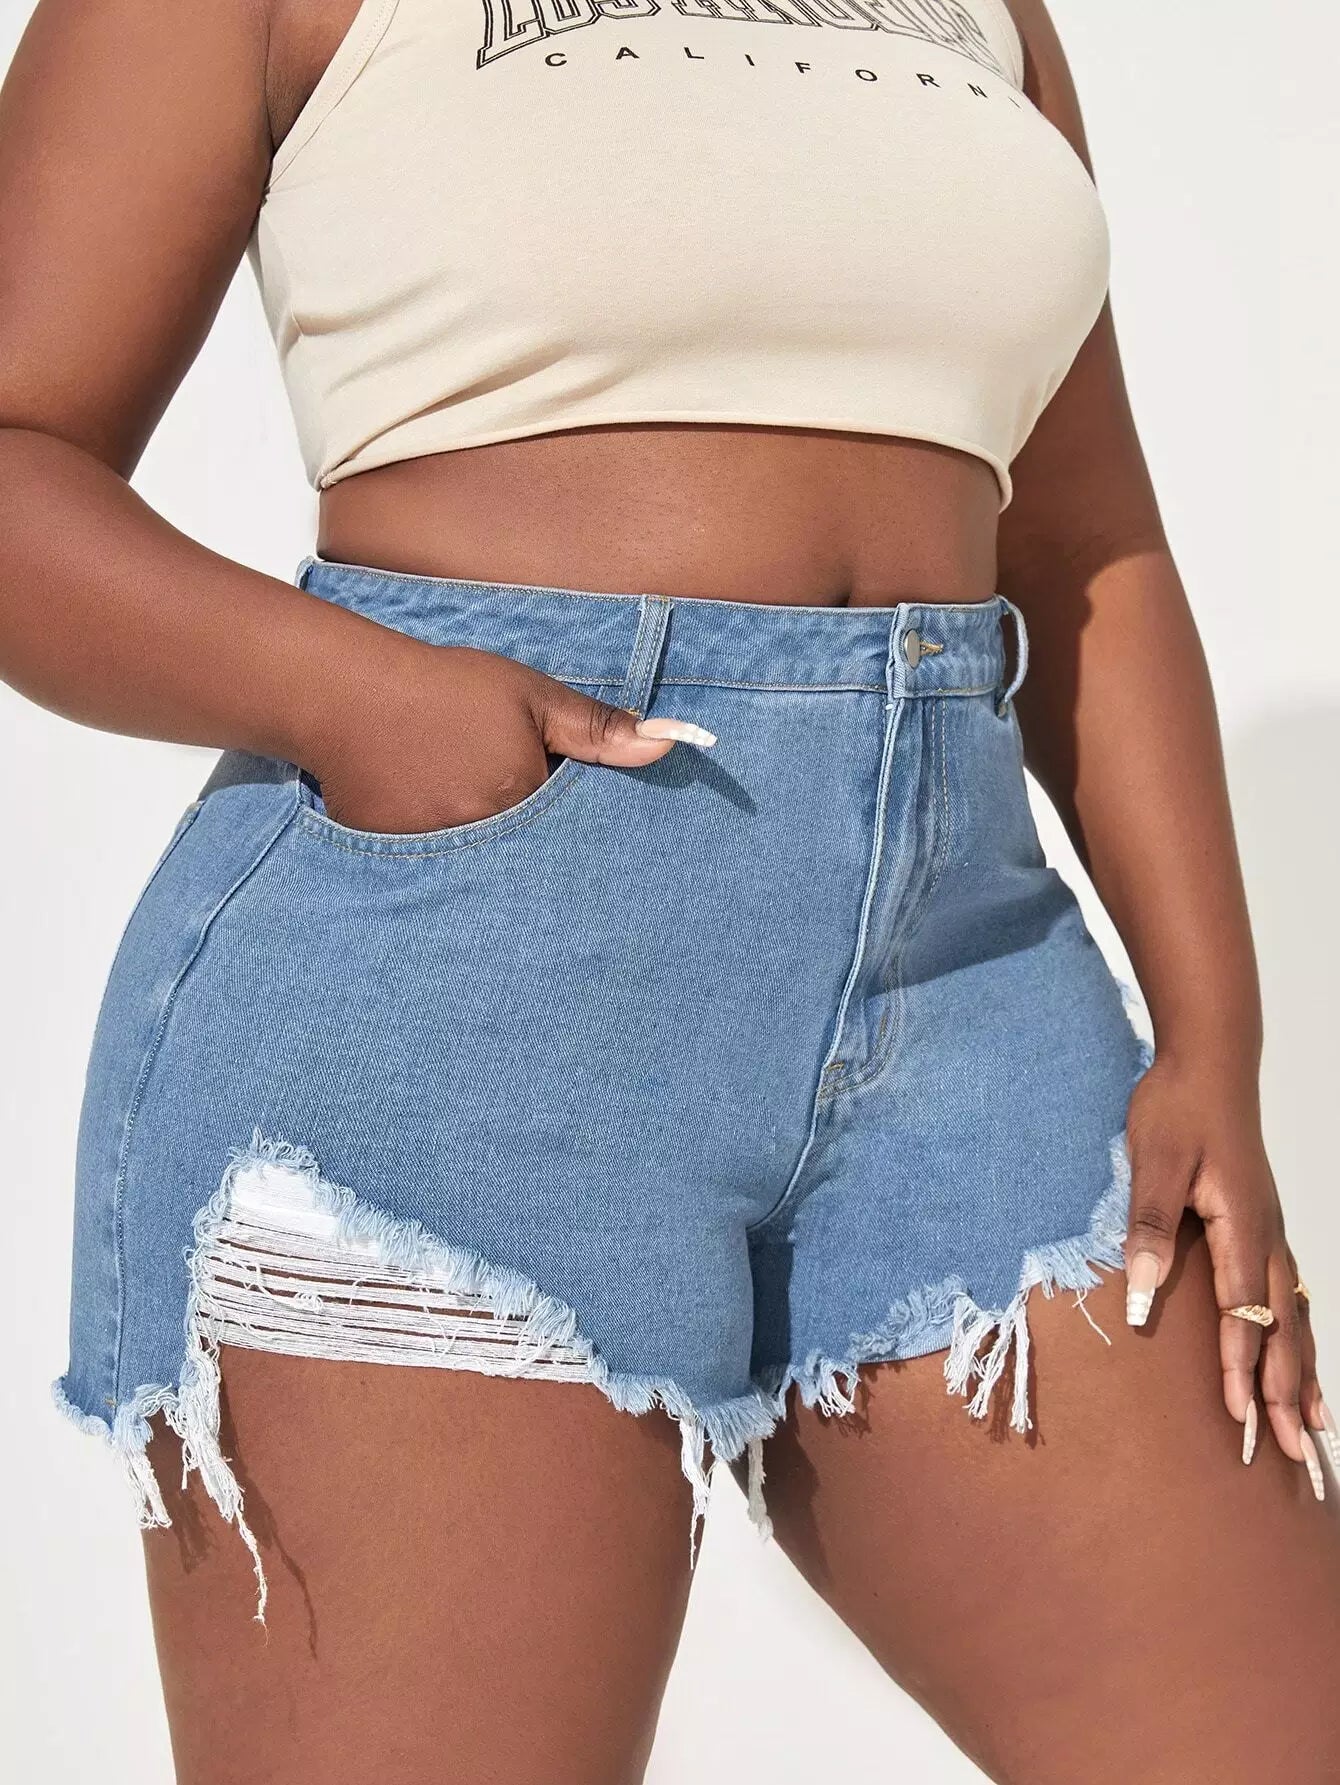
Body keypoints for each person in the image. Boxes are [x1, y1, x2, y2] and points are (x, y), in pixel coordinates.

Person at [2, 0, 1336, 1779]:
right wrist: (376, 704)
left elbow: (1090, 541)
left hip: (972, 975)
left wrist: (1213, 1038)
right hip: (457, 973)